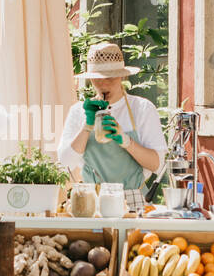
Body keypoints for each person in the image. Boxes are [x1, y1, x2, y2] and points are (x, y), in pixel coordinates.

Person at [56, 42, 167, 193]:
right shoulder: (78, 111)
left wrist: (127, 142)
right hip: (92, 200)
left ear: (122, 76)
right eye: (97, 78)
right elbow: (65, 162)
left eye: (110, 77)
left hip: (132, 198)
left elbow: (157, 165)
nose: (103, 83)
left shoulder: (142, 109)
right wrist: (87, 126)